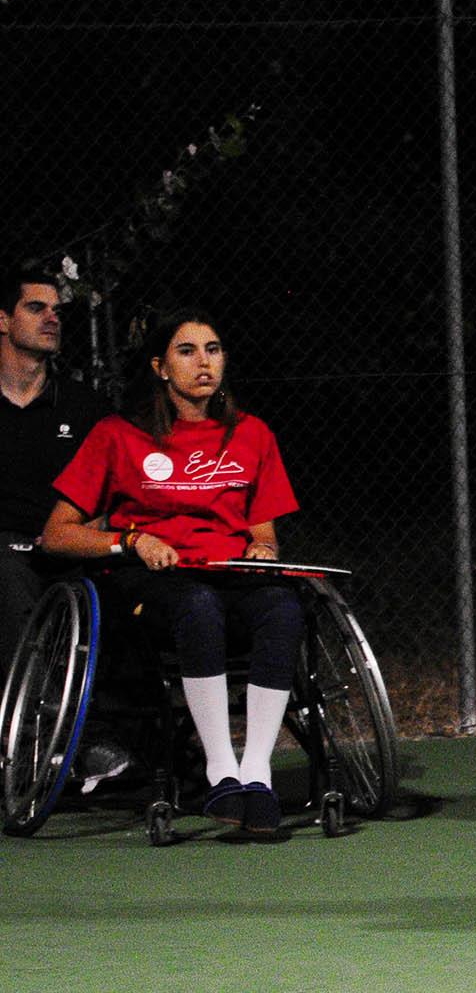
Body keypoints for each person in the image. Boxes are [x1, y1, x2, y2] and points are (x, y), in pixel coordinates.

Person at [42, 307, 304, 833]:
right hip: (157, 583)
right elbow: (57, 534)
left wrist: (263, 550)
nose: (203, 363)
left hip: (231, 573)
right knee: (196, 605)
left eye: (213, 350)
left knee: (284, 607)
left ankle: (256, 774)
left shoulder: (252, 434)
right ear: (161, 367)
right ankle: (220, 769)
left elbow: (265, 531)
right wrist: (131, 540)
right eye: (187, 352)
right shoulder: (119, 434)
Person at [0, 277, 106, 666]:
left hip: (67, 546)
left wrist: (90, 529)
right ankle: (29, 723)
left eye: (57, 311)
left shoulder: (84, 407)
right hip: (5, 550)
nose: (52, 319)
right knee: (8, 575)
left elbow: (109, 493)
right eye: (36, 308)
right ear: (3, 320)